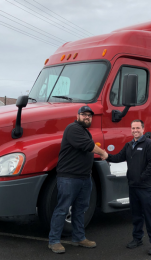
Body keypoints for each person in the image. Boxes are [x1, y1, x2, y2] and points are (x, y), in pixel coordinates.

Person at [48, 106, 108, 254]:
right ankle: (54, 241)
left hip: (84, 178)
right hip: (69, 177)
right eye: (84, 115)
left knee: (80, 209)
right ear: (78, 115)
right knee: (62, 209)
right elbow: (88, 146)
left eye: (89, 115)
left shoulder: (85, 132)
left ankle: (79, 238)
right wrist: (103, 153)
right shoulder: (73, 128)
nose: (87, 117)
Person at [103, 119, 151, 255]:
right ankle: (137, 238)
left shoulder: (149, 144)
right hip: (133, 187)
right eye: (133, 128)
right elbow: (118, 157)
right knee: (136, 215)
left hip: (145, 187)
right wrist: (106, 156)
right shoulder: (129, 145)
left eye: (137, 128)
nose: (135, 130)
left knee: (149, 215)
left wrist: (142, 177)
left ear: (142, 129)